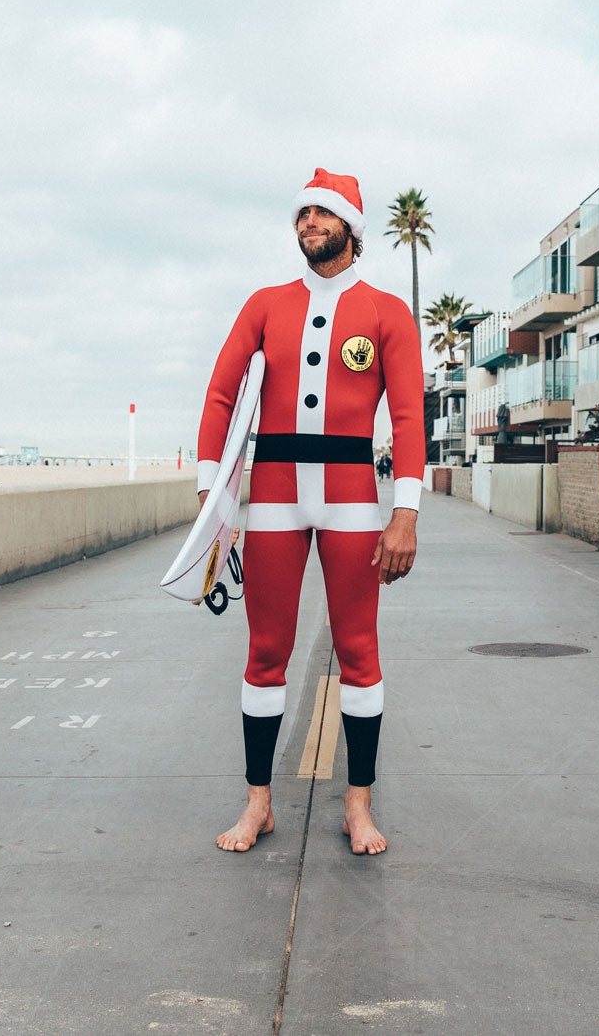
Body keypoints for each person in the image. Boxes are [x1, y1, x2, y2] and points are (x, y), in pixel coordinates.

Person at [196, 168, 423, 856]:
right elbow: (220, 395)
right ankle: (257, 803)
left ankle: (358, 806)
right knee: (266, 650)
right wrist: (214, 492)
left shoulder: (387, 312)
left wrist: (404, 512)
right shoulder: (265, 304)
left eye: (323, 214)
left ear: (351, 226)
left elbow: (410, 417)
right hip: (271, 495)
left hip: (354, 492)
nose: (309, 224)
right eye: (302, 215)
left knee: (359, 650)